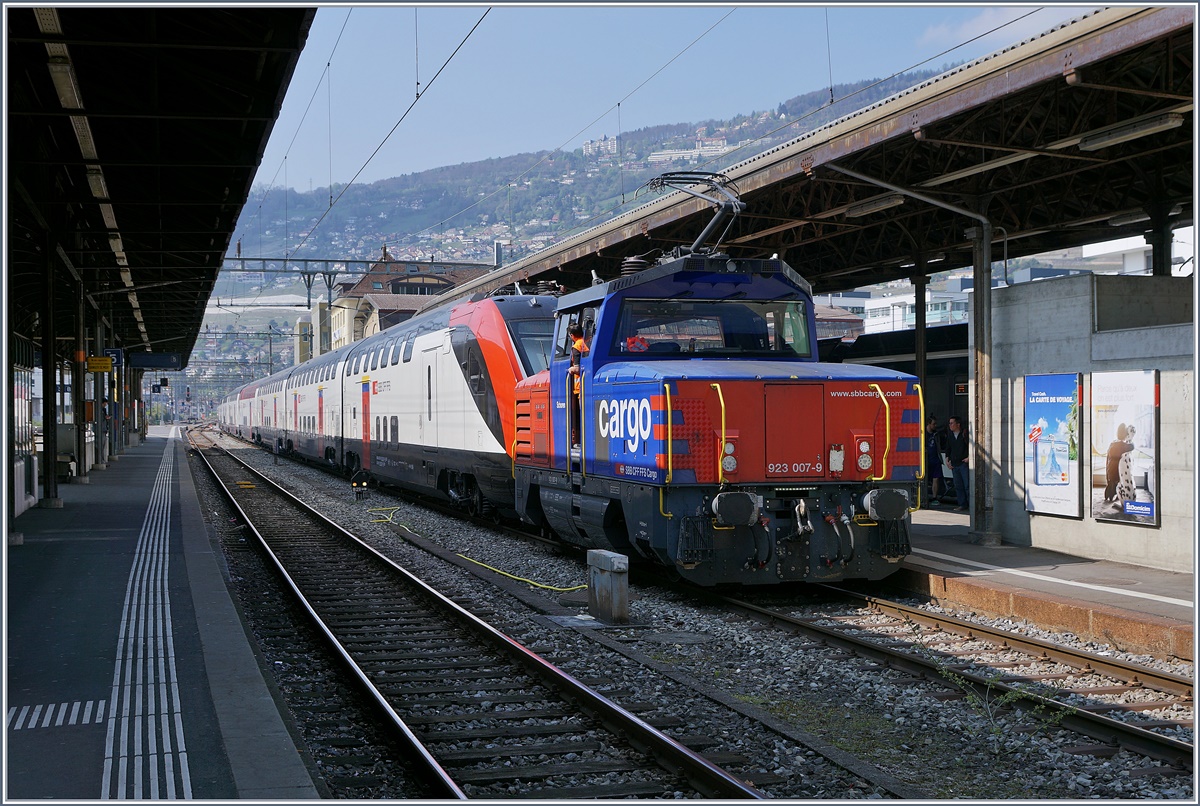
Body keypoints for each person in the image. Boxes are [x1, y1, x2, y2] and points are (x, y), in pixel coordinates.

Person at [1104, 423, 1136, 503]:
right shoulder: (1122, 445)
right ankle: (1113, 494)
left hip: (1110, 470)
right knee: (1116, 484)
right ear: (1125, 434)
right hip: (1116, 472)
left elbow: (1107, 458)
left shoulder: (1113, 443)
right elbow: (1132, 446)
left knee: (1111, 484)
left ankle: (1109, 494)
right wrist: (1131, 437)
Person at [567, 323, 588, 447]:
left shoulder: (576, 346)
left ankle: (582, 441)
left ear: (571, 335)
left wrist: (570, 370)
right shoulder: (587, 343)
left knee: (582, 415)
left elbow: (578, 367)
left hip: (580, 387)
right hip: (587, 386)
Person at [945, 415, 970, 511]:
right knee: (958, 486)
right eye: (949, 423)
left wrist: (969, 458)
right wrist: (947, 460)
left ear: (958, 424)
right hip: (954, 464)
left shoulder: (964, 434)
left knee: (967, 485)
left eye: (952, 423)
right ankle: (962, 504)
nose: (950, 425)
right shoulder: (950, 435)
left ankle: (970, 504)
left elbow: (970, 446)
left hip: (963, 462)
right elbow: (948, 448)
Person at [924, 416, 945, 506]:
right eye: (933, 424)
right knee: (924, 479)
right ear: (928, 424)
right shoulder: (923, 434)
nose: (935, 426)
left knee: (935, 479)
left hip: (935, 459)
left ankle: (934, 497)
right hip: (925, 460)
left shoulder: (936, 434)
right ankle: (923, 497)